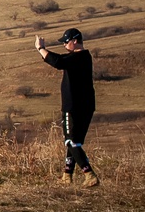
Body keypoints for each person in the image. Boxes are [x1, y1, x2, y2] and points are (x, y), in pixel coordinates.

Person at [36, 27, 99, 187]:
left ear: (75, 41)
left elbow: (58, 62)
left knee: (71, 141)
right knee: (75, 142)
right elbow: (61, 60)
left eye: (66, 42)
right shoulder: (84, 58)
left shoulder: (78, 57)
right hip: (86, 106)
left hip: (73, 107)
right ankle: (67, 175)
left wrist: (41, 49)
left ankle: (89, 174)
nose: (64, 45)